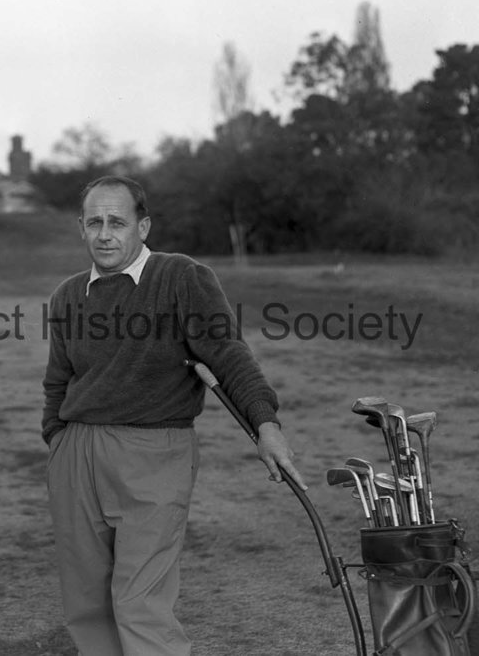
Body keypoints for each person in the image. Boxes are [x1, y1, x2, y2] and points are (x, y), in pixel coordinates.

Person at [42, 175, 306, 656]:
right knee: (87, 602)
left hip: (154, 451)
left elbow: (228, 353)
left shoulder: (181, 277)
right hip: (77, 452)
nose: (105, 234)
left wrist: (265, 424)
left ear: (143, 226)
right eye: (94, 222)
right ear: (81, 227)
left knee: (140, 602)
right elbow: (57, 379)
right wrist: (57, 439)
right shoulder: (67, 296)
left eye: (117, 222)